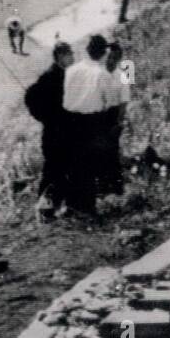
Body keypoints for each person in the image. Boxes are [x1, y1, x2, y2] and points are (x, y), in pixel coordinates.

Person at [62, 34, 125, 214]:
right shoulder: (102, 74)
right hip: (91, 121)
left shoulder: (71, 70)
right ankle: (87, 207)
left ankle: (72, 204)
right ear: (103, 53)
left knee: (74, 164)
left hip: (70, 119)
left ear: (87, 50)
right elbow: (110, 103)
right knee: (89, 164)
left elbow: (66, 96)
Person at [24, 41, 75, 219]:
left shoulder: (64, 75)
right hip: (54, 134)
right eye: (70, 54)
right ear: (60, 57)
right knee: (53, 171)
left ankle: (56, 208)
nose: (73, 57)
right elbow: (33, 99)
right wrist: (47, 118)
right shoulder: (50, 77)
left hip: (64, 132)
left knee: (61, 171)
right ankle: (43, 211)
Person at [99, 41, 130, 195]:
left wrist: (119, 123)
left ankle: (117, 189)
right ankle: (103, 188)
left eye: (115, 57)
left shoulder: (124, 73)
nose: (111, 60)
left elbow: (125, 101)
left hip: (114, 116)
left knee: (112, 152)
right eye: (109, 56)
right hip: (98, 115)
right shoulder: (98, 72)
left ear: (119, 58)